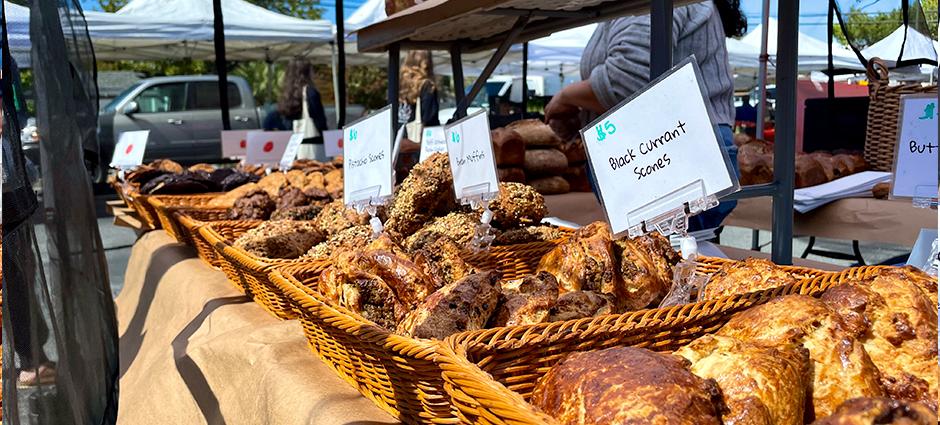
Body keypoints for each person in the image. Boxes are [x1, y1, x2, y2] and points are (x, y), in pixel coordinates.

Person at [544, 0, 747, 233]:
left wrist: (565, 96)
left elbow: (626, 82)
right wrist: (581, 113)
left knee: (675, 256)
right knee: (667, 257)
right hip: (652, 158)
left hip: (672, 157)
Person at [278, 59, 328, 160]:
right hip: (314, 146)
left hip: (296, 148)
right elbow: (319, 121)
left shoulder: (288, 95)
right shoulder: (310, 93)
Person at [399, 50, 440, 132]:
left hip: (399, 137)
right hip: (418, 141)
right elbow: (430, 118)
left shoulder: (401, 84)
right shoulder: (428, 86)